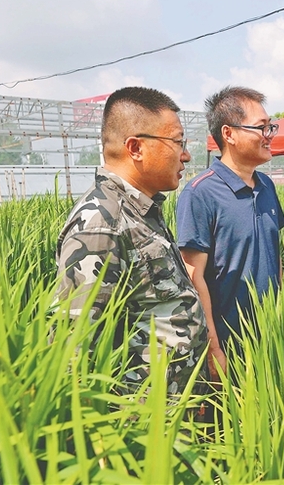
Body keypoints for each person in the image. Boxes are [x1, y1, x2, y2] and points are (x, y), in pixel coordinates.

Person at [56, 86, 207, 395]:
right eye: (178, 142)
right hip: (143, 421)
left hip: (173, 411)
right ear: (136, 148)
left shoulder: (141, 209)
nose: (186, 155)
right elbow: (73, 348)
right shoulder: (102, 222)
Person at [176, 86, 284, 378]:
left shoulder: (267, 186)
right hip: (228, 344)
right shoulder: (201, 194)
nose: (269, 135)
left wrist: (283, 318)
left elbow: (276, 257)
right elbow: (193, 277)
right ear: (229, 134)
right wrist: (213, 351)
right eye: (261, 127)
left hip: (272, 339)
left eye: (270, 126)